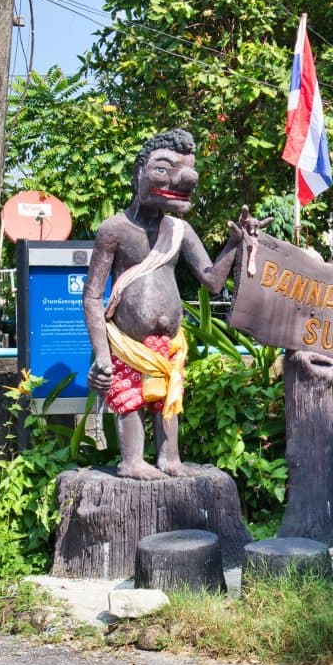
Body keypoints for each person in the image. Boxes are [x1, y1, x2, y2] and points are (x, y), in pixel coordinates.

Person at [82, 128, 260, 480]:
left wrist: (236, 244)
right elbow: (91, 297)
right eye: (163, 168)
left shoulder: (179, 230)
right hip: (128, 342)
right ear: (139, 173)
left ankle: (169, 458)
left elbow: (211, 280)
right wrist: (102, 354)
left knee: (168, 399)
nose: (181, 178)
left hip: (170, 345)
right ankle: (132, 460)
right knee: (130, 398)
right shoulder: (114, 230)